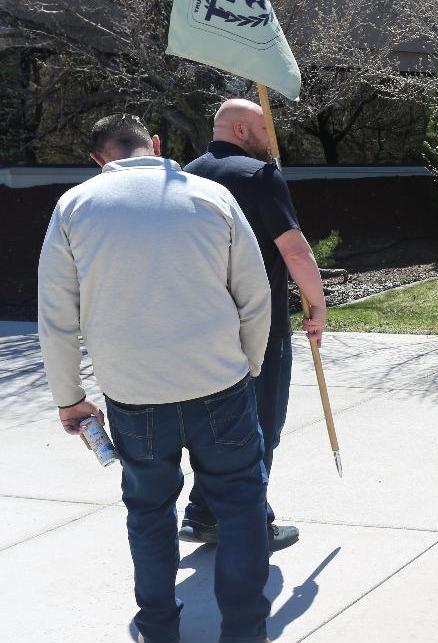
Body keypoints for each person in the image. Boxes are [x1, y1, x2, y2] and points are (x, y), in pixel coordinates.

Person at [38, 113, 272, 642]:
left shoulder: (74, 207)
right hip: (220, 385)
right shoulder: (212, 197)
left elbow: (56, 315)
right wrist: (249, 366)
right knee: (240, 508)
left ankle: (159, 628)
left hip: (133, 395)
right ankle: (245, 631)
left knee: (148, 513)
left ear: (99, 159)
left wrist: (69, 397)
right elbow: (256, 298)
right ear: (157, 145)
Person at [180, 98, 326, 552]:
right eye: (266, 130)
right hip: (256, 325)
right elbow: (295, 250)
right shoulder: (259, 176)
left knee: (213, 424)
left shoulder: (183, 176)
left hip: (198, 324)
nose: (272, 140)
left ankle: (203, 513)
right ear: (242, 131)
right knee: (262, 423)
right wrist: (316, 306)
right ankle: (250, 523)